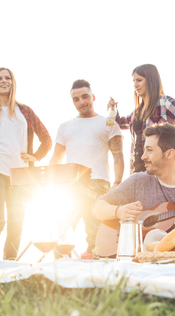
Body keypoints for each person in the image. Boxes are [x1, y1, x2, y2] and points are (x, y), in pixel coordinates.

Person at [0, 67, 52, 261]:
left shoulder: (26, 111)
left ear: (13, 82)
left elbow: (46, 139)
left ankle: (9, 270)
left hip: (20, 176)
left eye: (8, 78)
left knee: (16, 224)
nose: (4, 81)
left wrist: (36, 156)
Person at [49, 79, 124, 255]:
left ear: (93, 97)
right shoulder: (65, 127)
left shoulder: (108, 124)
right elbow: (56, 158)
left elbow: (117, 156)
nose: (81, 102)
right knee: (61, 231)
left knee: (96, 234)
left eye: (85, 97)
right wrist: (50, 182)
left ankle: (96, 276)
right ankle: (59, 275)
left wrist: (118, 182)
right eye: (76, 99)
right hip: (69, 185)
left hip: (98, 184)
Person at [107, 64, 175, 174]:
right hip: (138, 170)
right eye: (134, 81)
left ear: (150, 81)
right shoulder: (137, 112)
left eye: (139, 80)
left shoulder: (164, 102)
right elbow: (119, 123)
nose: (135, 85)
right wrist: (113, 109)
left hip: (159, 169)